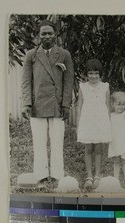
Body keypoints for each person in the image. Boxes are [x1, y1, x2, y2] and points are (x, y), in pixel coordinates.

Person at [21, 20, 74, 184]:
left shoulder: (64, 54)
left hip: (57, 104)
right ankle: (41, 175)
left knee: (57, 140)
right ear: (38, 35)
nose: (47, 36)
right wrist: (26, 104)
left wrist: (66, 104)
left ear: (55, 35)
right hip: (37, 105)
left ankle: (58, 174)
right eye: (43, 33)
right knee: (39, 141)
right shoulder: (31, 55)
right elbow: (26, 82)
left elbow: (68, 81)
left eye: (50, 33)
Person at [76, 59, 112, 189]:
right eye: (90, 73)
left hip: (100, 122)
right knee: (88, 149)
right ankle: (89, 176)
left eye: (96, 73)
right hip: (87, 122)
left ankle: (97, 175)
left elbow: (107, 106)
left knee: (98, 149)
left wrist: (108, 125)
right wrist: (79, 124)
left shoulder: (105, 87)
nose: (93, 76)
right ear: (86, 74)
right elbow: (79, 106)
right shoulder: (83, 87)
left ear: (100, 74)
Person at [108, 92, 125, 188]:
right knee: (116, 161)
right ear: (113, 104)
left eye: (123, 105)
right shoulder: (110, 116)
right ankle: (116, 178)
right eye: (118, 104)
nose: (121, 107)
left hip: (124, 141)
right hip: (115, 141)